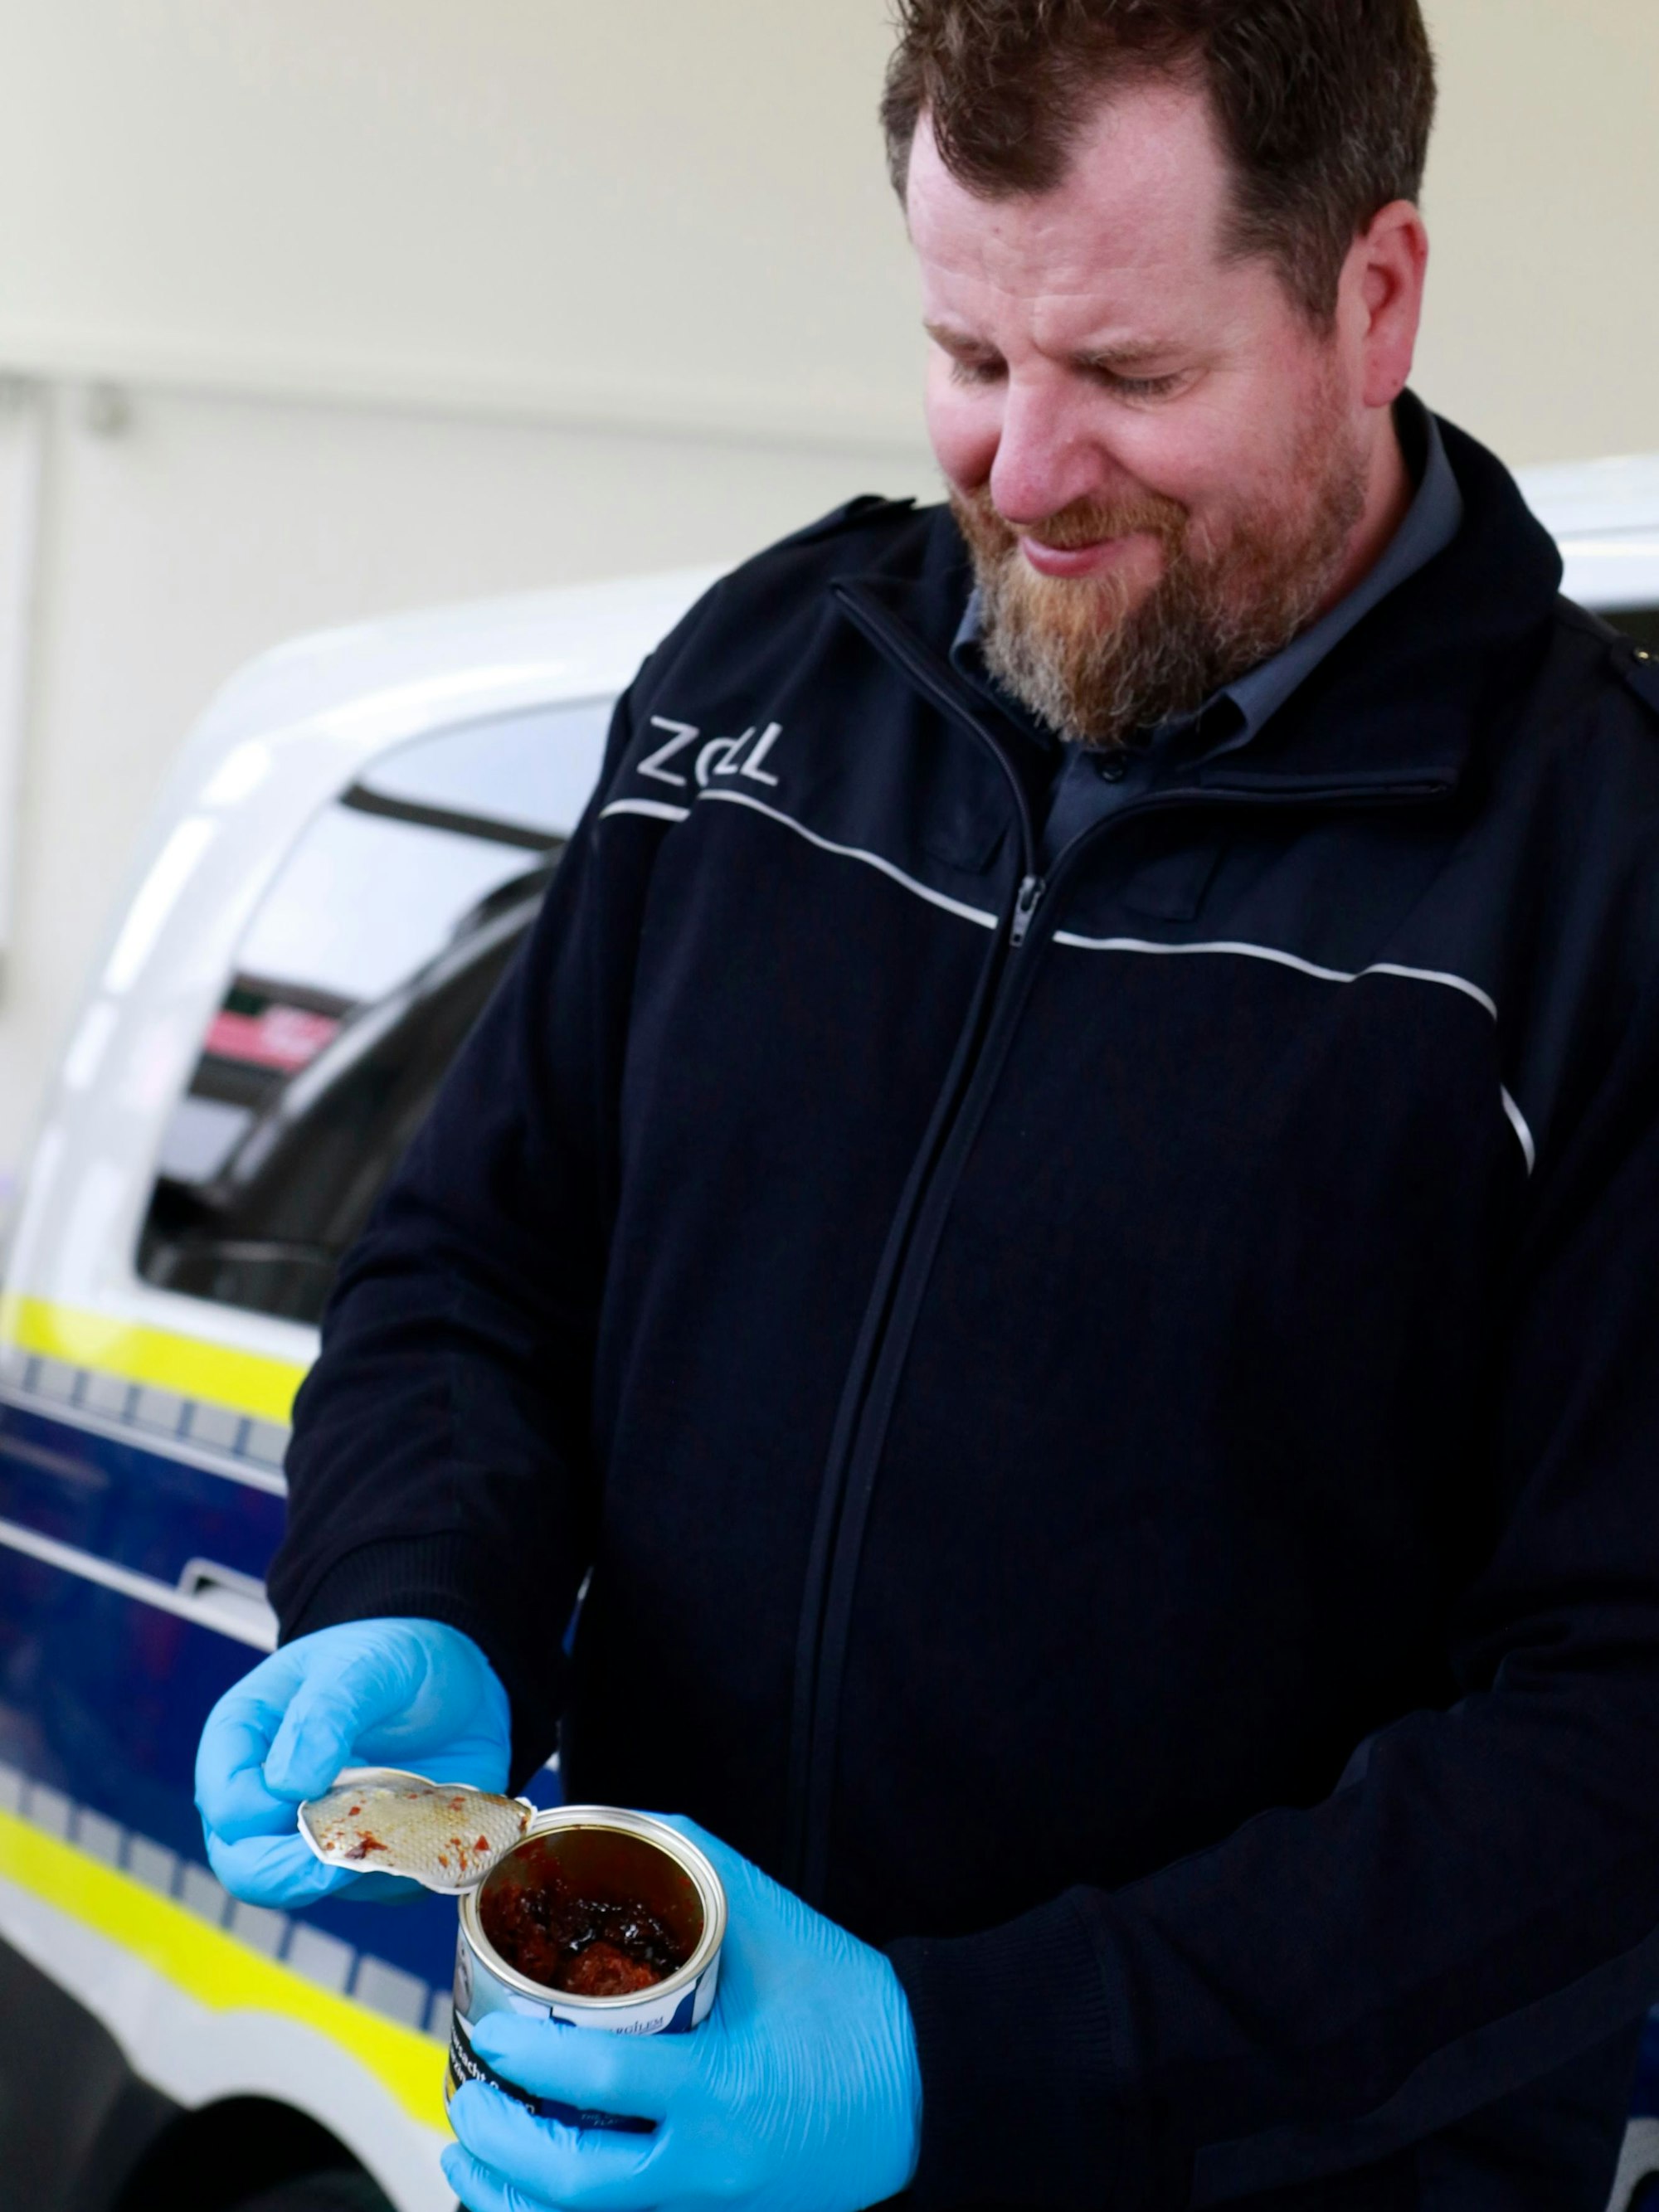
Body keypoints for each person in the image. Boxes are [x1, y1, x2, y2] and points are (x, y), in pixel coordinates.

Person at [197, 3, 1659, 2208]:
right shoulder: (759, 692)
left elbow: (1618, 1739)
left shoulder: (1599, 888)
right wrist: (419, 1590)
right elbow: (474, 1259)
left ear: (1375, 296)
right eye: (970, 356)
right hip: (637, 2137)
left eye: (1132, 379)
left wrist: (954, 2068)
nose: (1027, 467)